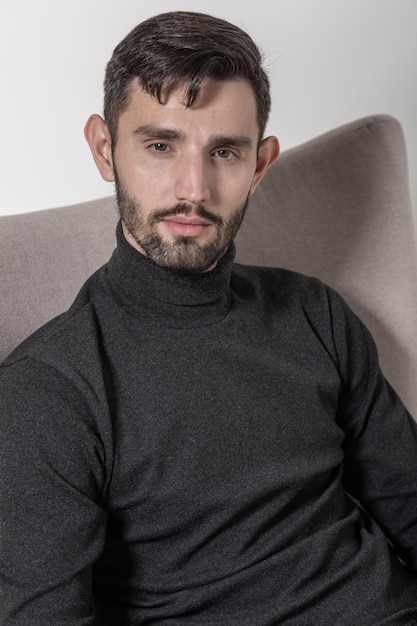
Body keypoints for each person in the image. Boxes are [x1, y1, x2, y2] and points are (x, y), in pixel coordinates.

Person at [1, 10, 417, 626]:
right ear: (103, 148)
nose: (192, 187)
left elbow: (408, 505)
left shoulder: (315, 312)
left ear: (261, 165)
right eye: (161, 145)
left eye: (225, 151)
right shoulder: (48, 389)